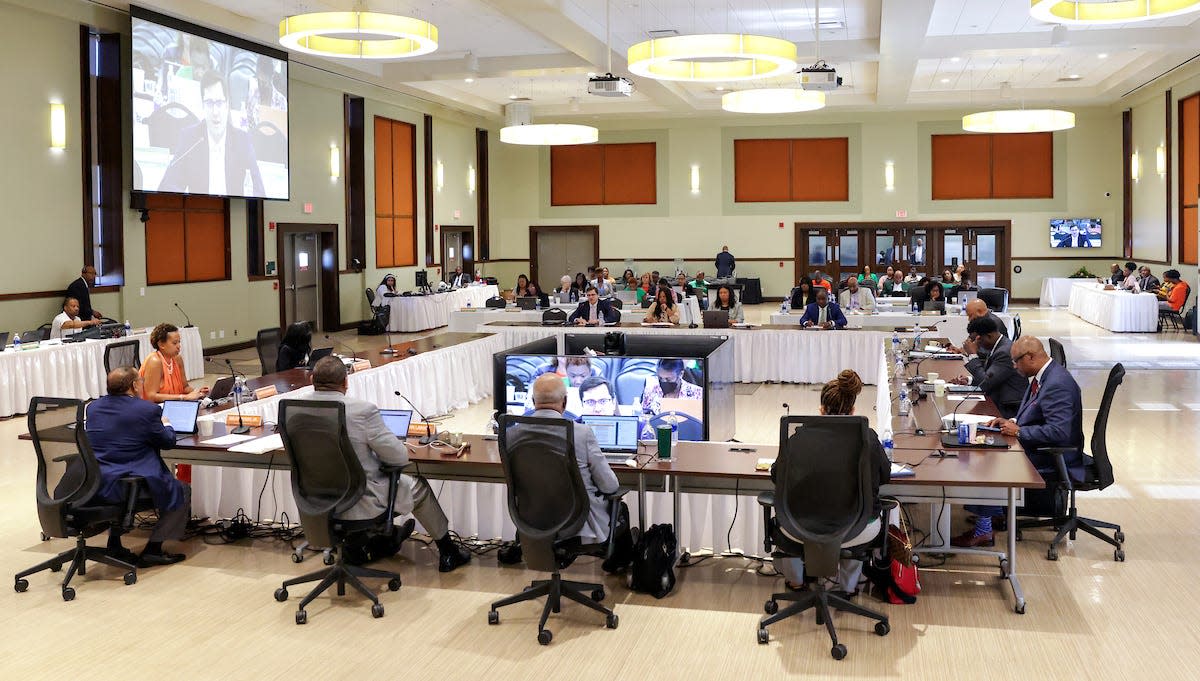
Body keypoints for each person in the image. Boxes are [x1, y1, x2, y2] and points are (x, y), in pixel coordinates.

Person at [306, 357, 471, 571]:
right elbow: (399, 458)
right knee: (418, 486)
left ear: (312, 380)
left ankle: (375, 543)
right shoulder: (362, 410)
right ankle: (449, 552)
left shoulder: (296, 408)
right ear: (346, 382)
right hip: (360, 499)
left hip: (316, 500)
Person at [952, 336, 1084, 548]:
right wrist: (1011, 421)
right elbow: (1035, 410)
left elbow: (1060, 433)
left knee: (989, 459)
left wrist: (1020, 431)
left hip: (1054, 455)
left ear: (1030, 357)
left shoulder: (1058, 384)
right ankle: (993, 512)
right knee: (987, 446)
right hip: (1040, 445)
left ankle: (984, 531)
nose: (1013, 366)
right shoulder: (1045, 375)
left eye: (1016, 361)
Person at [770, 370, 890, 594]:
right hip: (856, 529)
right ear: (853, 411)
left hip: (798, 527)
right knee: (858, 515)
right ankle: (848, 588)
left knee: (785, 520)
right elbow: (885, 476)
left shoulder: (798, 438)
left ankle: (796, 582)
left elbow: (777, 475)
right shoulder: (868, 440)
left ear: (821, 409)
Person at [86, 367, 191, 567]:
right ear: (134, 386)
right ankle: (154, 549)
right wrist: (166, 424)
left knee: (125, 489)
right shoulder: (147, 410)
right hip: (131, 482)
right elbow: (167, 442)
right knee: (182, 489)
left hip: (100, 481)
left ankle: (114, 544)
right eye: (140, 381)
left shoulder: (93, 408)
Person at [516, 375, 621, 544]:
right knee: (620, 508)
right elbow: (610, 486)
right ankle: (617, 565)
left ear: (533, 400)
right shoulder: (581, 433)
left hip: (533, 520)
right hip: (579, 523)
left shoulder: (514, 434)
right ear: (564, 402)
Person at [158, 72, 265, 196]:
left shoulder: (242, 141)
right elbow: (168, 184)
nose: (215, 112)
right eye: (209, 103)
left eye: (219, 103)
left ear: (227, 104)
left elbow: (259, 190)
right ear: (202, 105)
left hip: (233, 211)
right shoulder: (190, 138)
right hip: (199, 211)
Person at [952, 316, 1028, 418]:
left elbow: (986, 383)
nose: (974, 343)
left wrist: (973, 355)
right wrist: (969, 380)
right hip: (997, 397)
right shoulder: (997, 346)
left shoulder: (1004, 352)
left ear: (988, 336)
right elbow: (989, 376)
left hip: (1007, 407)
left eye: (976, 339)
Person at [140, 323, 209, 404]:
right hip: (155, 408)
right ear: (161, 344)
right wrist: (183, 397)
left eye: (179, 342)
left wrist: (198, 392)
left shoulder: (178, 359)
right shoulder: (155, 361)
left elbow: (185, 387)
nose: (179, 346)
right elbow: (151, 396)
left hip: (175, 403)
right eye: (174, 343)